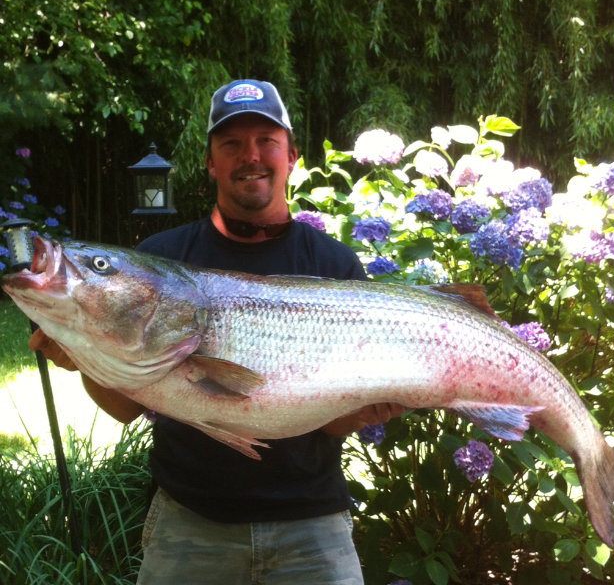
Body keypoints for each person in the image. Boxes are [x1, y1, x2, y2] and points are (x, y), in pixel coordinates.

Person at [30, 79, 406, 585]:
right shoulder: (164, 258)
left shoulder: (332, 263)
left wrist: (365, 410)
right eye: (231, 144)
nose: (250, 156)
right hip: (190, 522)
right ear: (210, 162)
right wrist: (84, 352)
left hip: (311, 524)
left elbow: (332, 424)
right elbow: (125, 407)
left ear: (291, 155)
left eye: (265, 141)